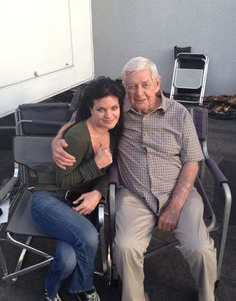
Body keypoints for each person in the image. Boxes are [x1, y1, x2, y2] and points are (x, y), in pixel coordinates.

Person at [52, 57, 217, 301]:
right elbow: (77, 120)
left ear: (157, 83)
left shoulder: (179, 114)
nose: (138, 93)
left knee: (200, 248)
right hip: (134, 194)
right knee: (126, 247)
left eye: (145, 84)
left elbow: (193, 161)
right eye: (131, 86)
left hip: (178, 192)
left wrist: (175, 205)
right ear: (125, 87)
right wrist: (56, 140)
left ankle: (207, 295)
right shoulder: (116, 111)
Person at [31, 76, 124, 301]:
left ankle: (54, 286)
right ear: (90, 109)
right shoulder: (78, 136)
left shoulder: (113, 130)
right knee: (90, 237)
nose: (109, 114)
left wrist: (97, 192)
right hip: (49, 199)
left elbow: (110, 171)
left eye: (114, 107)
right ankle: (81, 288)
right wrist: (95, 165)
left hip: (77, 201)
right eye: (101, 109)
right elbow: (64, 182)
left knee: (67, 260)